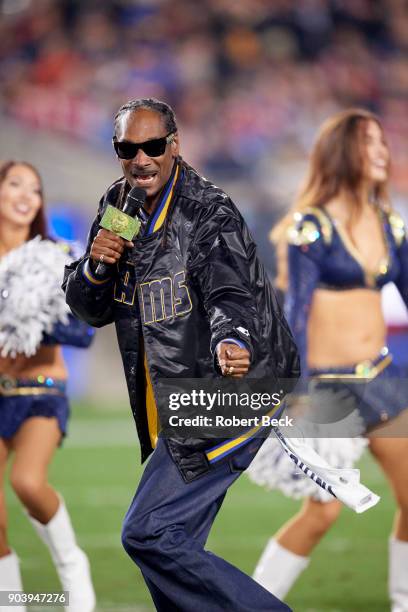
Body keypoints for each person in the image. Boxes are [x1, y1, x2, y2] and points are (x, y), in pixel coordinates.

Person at [63, 97, 300, 611]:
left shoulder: (208, 211)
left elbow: (229, 290)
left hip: (234, 385)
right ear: (116, 150)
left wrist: (231, 338)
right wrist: (95, 269)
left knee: (147, 533)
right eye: (128, 148)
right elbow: (89, 308)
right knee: (172, 554)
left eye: (152, 146)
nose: (140, 159)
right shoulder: (120, 205)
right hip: (174, 393)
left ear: (175, 145)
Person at [247, 108, 408, 611]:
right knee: (321, 515)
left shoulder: (389, 223)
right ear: (342, 153)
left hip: (382, 379)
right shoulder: (308, 228)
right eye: (369, 143)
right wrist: (293, 392)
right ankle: (250, 604)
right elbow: (296, 313)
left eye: (383, 142)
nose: (382, 151)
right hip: (326, 391)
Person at [0, 161, 96, 612]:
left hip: (41, 390)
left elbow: (85, 332)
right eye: (15, 184)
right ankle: (12, 602)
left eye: (34, 189)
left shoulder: (56, 253)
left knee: (26, 482)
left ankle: (71, 564)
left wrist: (31, 320)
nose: (25, 195)